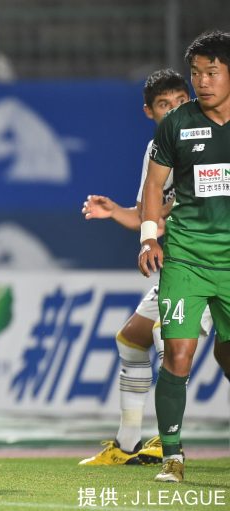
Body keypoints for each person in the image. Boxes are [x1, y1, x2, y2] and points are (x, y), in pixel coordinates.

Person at [78, 69, 217, 466]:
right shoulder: (156, 150)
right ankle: (127, 445)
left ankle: (169, 439)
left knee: (166, 336)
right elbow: (148, 215)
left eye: (180, 102)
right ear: (149, 112)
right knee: (131, 339)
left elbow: (193, 212)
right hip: (180, 266)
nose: (173, 111)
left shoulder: (209, 142)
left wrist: (152, 225)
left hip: (210, 264)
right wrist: (116, 212)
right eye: (163, 105)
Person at [139, 30, 230, 483]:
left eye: (212, 72)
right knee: (177, 353)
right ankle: (172, 456)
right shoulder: (176, 124)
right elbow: (154, 186)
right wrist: (148, 239)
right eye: (196, 73)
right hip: (186, 258)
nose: (202, 82)